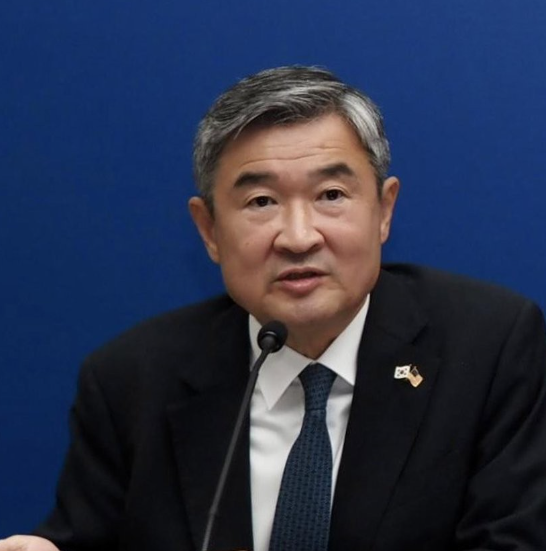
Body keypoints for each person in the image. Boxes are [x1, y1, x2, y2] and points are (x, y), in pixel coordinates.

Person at [2, 65, 546, 551]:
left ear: (384, 211)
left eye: (331, 195)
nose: (299, 236)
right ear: (209, 230)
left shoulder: (487, 349)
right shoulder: (130, 382)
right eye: (261, 202)